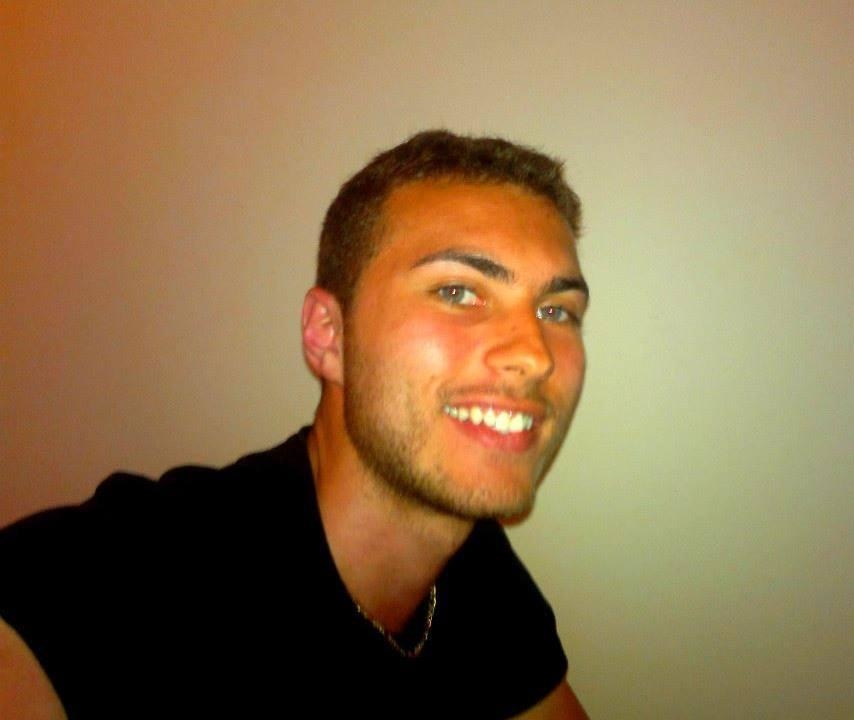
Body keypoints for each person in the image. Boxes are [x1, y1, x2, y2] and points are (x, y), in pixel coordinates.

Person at [0, 129, 591, 719]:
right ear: (328, 336)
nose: (534, 354)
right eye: (457, 291)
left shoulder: (479, 570)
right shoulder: (133, 575)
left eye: (556, 310)